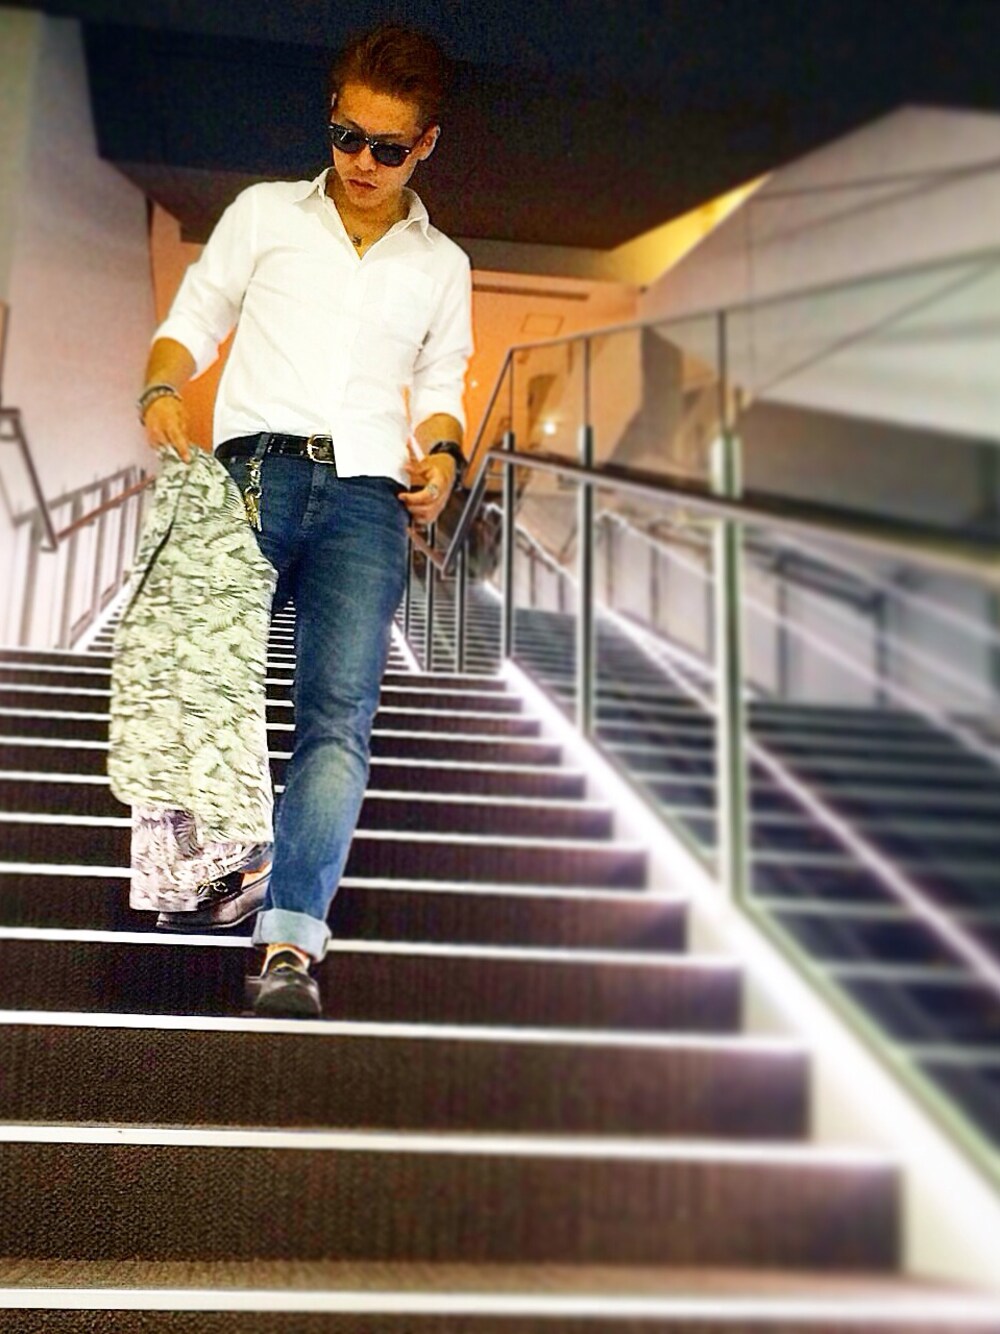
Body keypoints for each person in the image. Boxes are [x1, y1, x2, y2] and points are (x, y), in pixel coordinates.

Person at [136, 24, 473, 1018]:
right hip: (254, 474)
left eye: (388, 147)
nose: (361, 161)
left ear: (425, 145)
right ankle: (207, 879)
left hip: (368, 501)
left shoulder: (441, 265)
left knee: (336, 720)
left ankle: (288, 945)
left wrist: (445, 455)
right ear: (330, 119)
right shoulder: (264, 214)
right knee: (199, 674)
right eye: (346, 135)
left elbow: (440, 385)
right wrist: (162, 383)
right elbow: (195, 318)